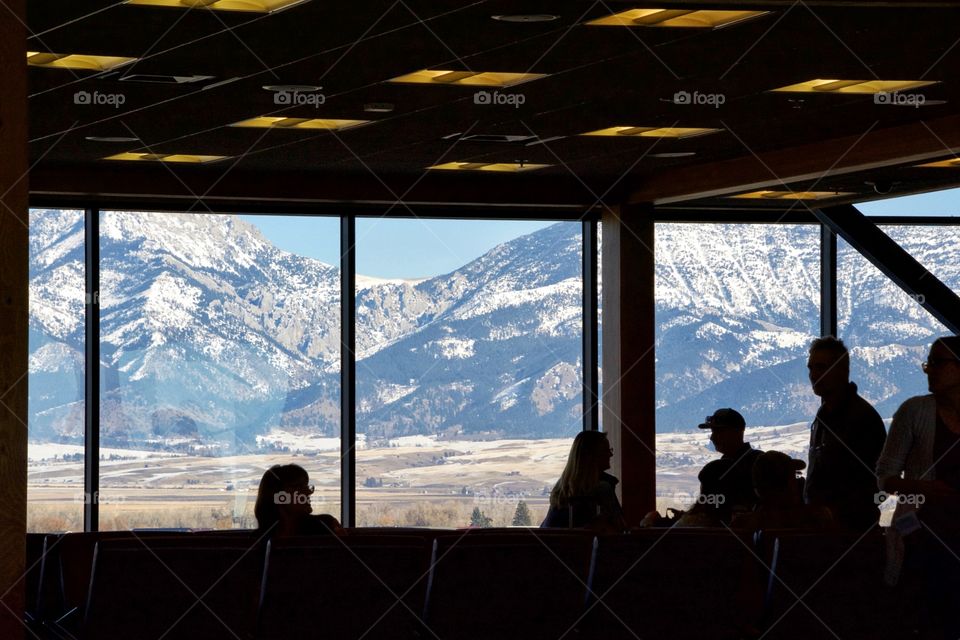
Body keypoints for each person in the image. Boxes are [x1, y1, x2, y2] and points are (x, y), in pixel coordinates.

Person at [876, 336, 960, 639]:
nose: (929, 370)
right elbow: (885, 476)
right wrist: (924, 489)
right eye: (929, 362)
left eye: (938, 362)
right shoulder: (915, 412)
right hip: (924, 533)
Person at [804, 336, 886, 530]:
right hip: (825, 529)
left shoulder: (862, 419)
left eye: (821, 367)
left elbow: (874, 482)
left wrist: (836, 514)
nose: (814, 374)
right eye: (811, 368)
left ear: (842, 370)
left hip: (852, 531)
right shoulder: (823, 415)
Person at [541, 431, 626, 531]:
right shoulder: (602, 489)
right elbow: (620, 528)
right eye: (606, 450)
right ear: (594, 456)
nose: (611, 454)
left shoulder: (562, 489)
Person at [691, 408, 762, 525]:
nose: (712, 438)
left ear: (736, 432)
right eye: (713, 432)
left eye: (718, 432)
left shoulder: (716, 469)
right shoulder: (758, 460)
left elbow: (706, 510)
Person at [732, 451, 834, 531]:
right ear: (789, 483)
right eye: (794, 476)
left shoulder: (742, 524)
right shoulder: (818, 518)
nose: (799, 481)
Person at [255, 464, 342, 537]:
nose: (309, 492)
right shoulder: (258, 540)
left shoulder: (326, 525)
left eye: (307, 486)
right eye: (299, 487)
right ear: (278, 495)